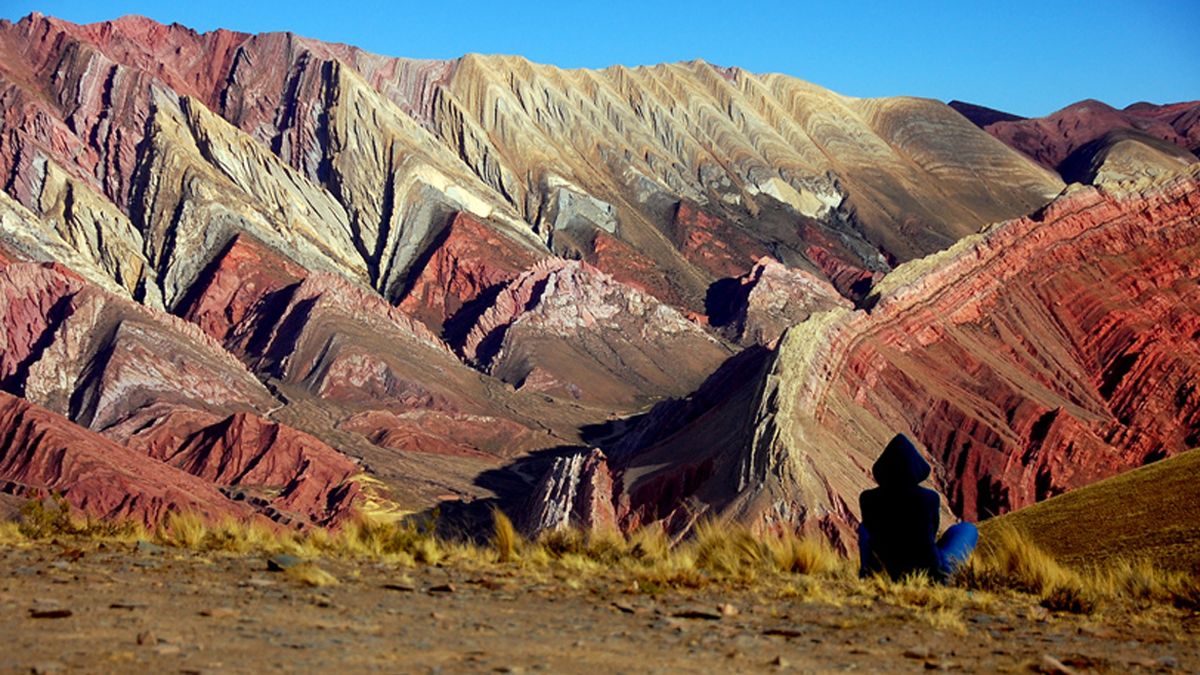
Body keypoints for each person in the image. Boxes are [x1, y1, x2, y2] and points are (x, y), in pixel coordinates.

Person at [857, 433, 978, 582]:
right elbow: (931, 533)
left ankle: (868, 573)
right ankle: (945, 576)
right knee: (967, 529)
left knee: (864, 529)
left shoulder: (867, 498)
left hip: (887, 570)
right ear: (916, 469)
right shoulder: (929, 498)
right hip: (931, 574)